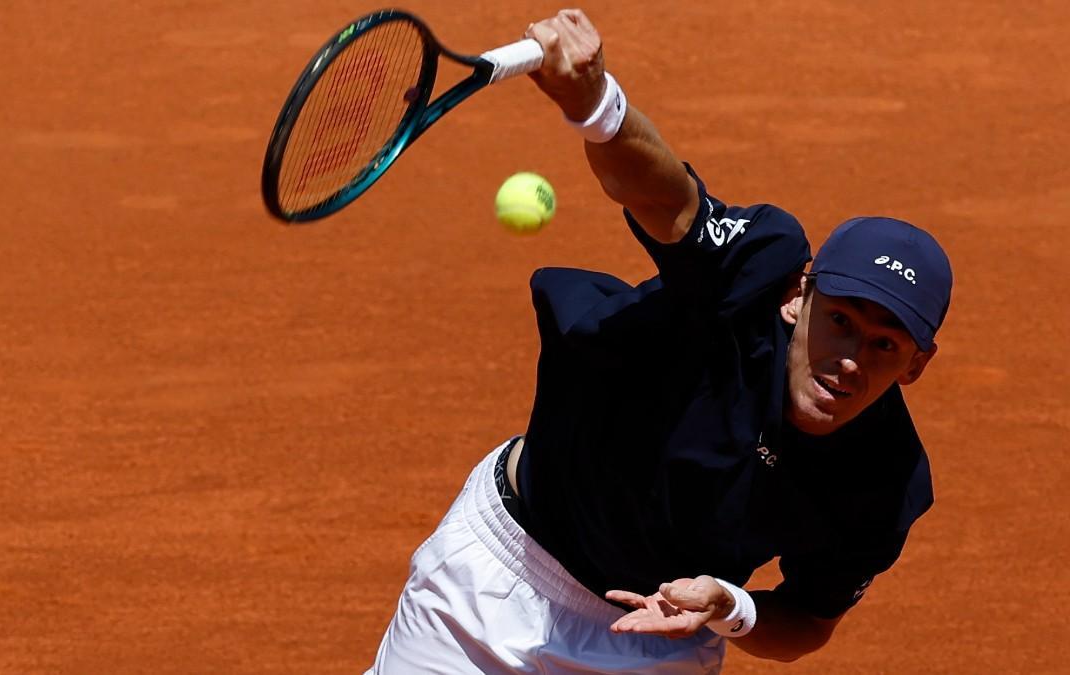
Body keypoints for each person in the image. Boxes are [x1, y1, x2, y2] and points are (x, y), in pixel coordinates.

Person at [367, 8, 953, 674]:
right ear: (798, 297)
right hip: (499, 579)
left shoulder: (885, 477)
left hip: (658, 645)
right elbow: (669, 199)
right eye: (841, 319)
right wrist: (597, 107)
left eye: (885, 345)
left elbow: (807, 621)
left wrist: (731, 606)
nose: (851, 359)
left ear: (916, 366)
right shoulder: (754, 274)